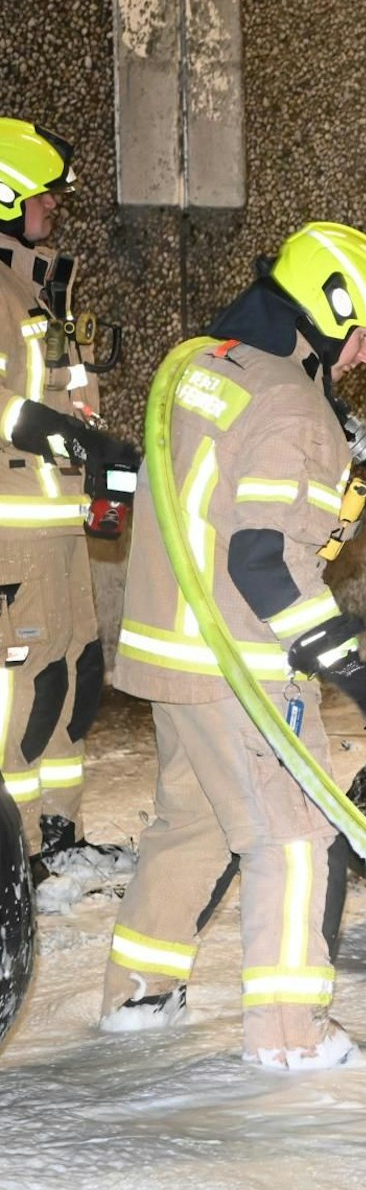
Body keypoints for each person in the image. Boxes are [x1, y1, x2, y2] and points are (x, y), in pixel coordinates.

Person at [104, 222, 366, 1070]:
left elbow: (224, 507)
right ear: (329, 309)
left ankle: (139, 997)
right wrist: (347, 662)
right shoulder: (294, 405)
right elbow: (263, 558)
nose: (362, 358)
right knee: (290, 838)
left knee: (191, 826)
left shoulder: (206, 363)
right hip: (236, 663)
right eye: (361, 338)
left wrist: (344, 501)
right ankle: (290, 1035)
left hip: (172, 653)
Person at [0, 117, 137, 881]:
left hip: (57, 523)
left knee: (75, 678)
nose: (53, 208)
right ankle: (13, 854)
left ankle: (60, 835)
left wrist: (101, 452)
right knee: (23, 693)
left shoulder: (40, 289)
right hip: (11, 531)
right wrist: (70, 438)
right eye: (43, 196)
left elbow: (68, 397)